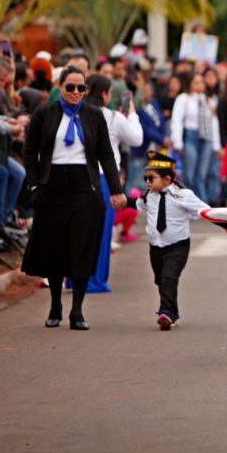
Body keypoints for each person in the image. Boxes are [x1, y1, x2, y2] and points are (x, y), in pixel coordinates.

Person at [21, 65, 127, 330]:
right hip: (52, 185)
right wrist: (34, 186)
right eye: (71, 87)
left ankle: (77, 311)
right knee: (55, 248)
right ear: (60, 86)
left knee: (81, 247)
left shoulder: (93, 115)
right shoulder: (45, 113)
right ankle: (55, 305)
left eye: (81, 88)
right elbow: (29, 150)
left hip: (84, 186)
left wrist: (115, 189)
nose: (76, 92)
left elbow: (105, 153)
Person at [135, 151, 227, 330]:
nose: (147, 181)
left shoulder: (183, 195)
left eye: (151, 177)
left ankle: (166, 313)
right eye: (145, 177)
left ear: (167, 178)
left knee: (168, 278)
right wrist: (121, 200)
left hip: (177, 246)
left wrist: (226, 226)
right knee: (160, 281)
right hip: (155, 247)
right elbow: (136, 204)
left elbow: (205, 211)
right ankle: (173, 311)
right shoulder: (148, 195)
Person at [80, 74, 142, 293]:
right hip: (105, 175)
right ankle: (95, 279)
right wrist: (132, 114)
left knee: (81, 228)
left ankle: (75, 277)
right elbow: (136, 138)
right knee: (102, 228)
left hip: (80, 172)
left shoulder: (79, 112)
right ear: (106, 94)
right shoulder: (114, 117)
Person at [170, 72, 221, 200]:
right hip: (191, 136)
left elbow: (214, 123)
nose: (199, 85)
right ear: (190, 84)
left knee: (202, 173)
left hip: (207, 138)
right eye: (196, 82)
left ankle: (202, 201)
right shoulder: (184, 98)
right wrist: (178, 142)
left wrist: (216, 145)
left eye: (201, 82)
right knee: (189, 173)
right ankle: (187, 200)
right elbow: (177, 119)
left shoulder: (209, 100)